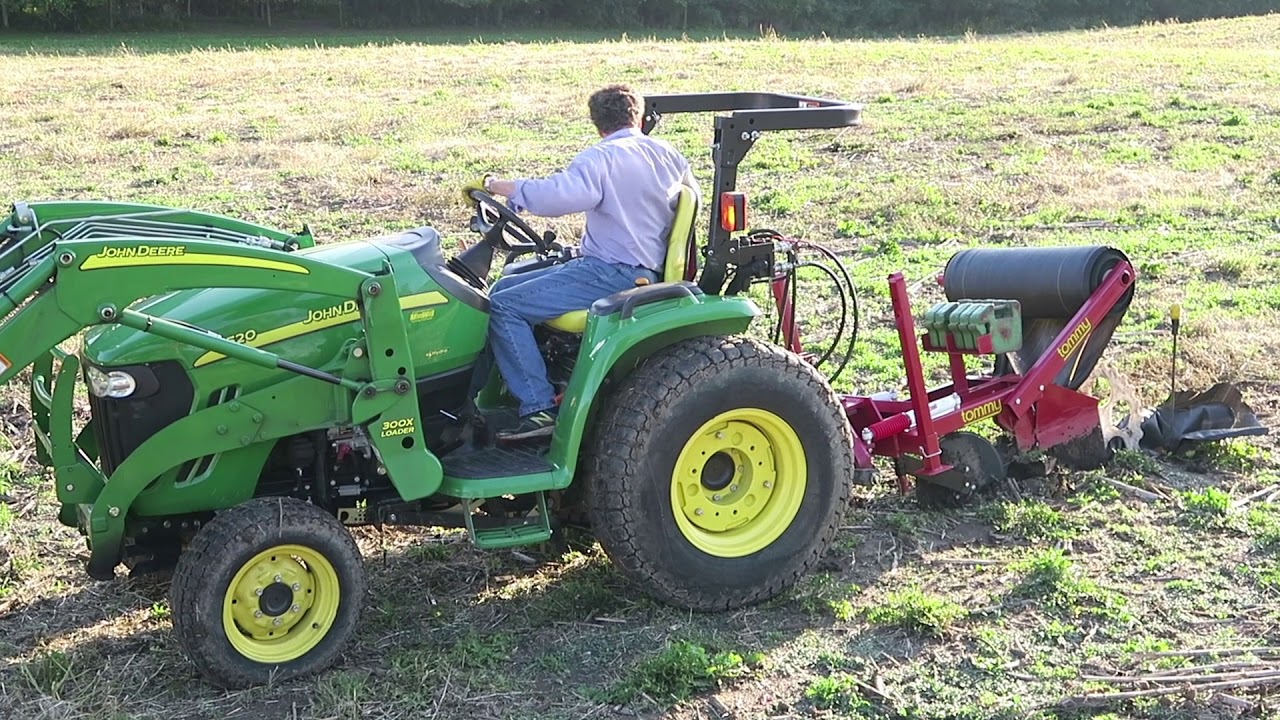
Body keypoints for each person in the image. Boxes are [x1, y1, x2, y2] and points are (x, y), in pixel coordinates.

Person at [465, 84, 698, 441]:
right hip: (638, 266)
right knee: (502, 287)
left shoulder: (601, 158)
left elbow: (556, 197)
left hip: (613, 272)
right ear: (638, 117)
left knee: (502, 306)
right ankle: (477, 400)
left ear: (597, 124)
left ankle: (538, 408)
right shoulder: (669, 154)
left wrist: (495, 185)